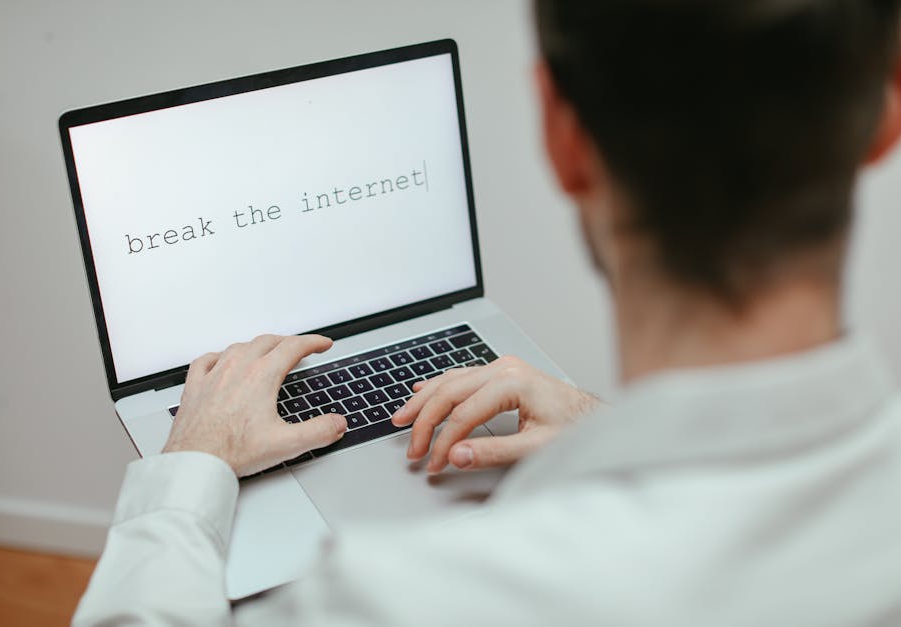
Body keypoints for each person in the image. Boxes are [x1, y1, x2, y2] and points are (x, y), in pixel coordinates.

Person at [74, 1, 901, 624]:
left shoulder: (402, 598)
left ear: (561, 134)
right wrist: (599, 427)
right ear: (886, 119)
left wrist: (191, 468)